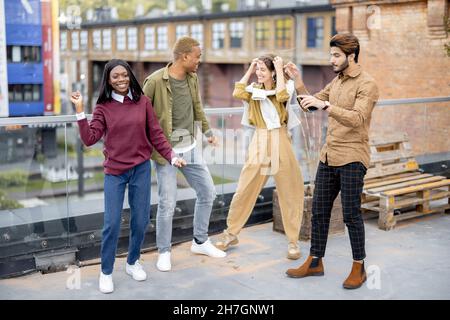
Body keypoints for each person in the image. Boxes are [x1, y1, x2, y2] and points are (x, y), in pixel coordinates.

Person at [70, 59, 186, 294]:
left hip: (141, 169)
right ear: (108, 81)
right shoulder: (103, 107)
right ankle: (106, 271)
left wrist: (172, 156)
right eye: (115, 77)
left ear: (130, 76)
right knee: (112, 224)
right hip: (115, 172)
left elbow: (156, 134)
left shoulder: (142, 102)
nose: (121, 79)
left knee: (141, 220)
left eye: (124, 75)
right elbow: (90, 139)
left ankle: (133, 262)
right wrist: (80, 112)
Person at [284, 33, 379, 289]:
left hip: (352, 158)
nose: (331, 60)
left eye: (336, 55)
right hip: (329, 156)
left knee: (350, 215)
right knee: (319, 211)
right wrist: (298, 81)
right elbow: (309, 105)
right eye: (331, 55)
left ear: (351, 56)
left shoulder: (367, 84)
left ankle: (359, 266)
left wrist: (325, 106)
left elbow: (358, 118)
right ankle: (315, 261)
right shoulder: (336, 82)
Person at [142, 36, 226, 272]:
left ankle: (200, 241)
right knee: (168, 203)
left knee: (208, 192)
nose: (200, 60)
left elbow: (197, 107)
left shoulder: (192, 78)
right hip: (165, 153)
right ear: (185, 56)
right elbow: (141, 114)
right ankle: (164, 251)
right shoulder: (155, 81)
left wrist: (208, 131)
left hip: (190, 149)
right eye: (197, 56)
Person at [215, 54, 305, 260]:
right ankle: (231, 234)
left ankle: (293, 240)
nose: (259, 73)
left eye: (264, 69)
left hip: (281, 137)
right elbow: (237, 90)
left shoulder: (286, 86)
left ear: (273, 71)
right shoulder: (253, 89)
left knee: (290, 188)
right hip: (260, 137)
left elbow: (282, 97)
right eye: (258, 69)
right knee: (245, 186)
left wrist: (280, 69)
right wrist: (250, 68)